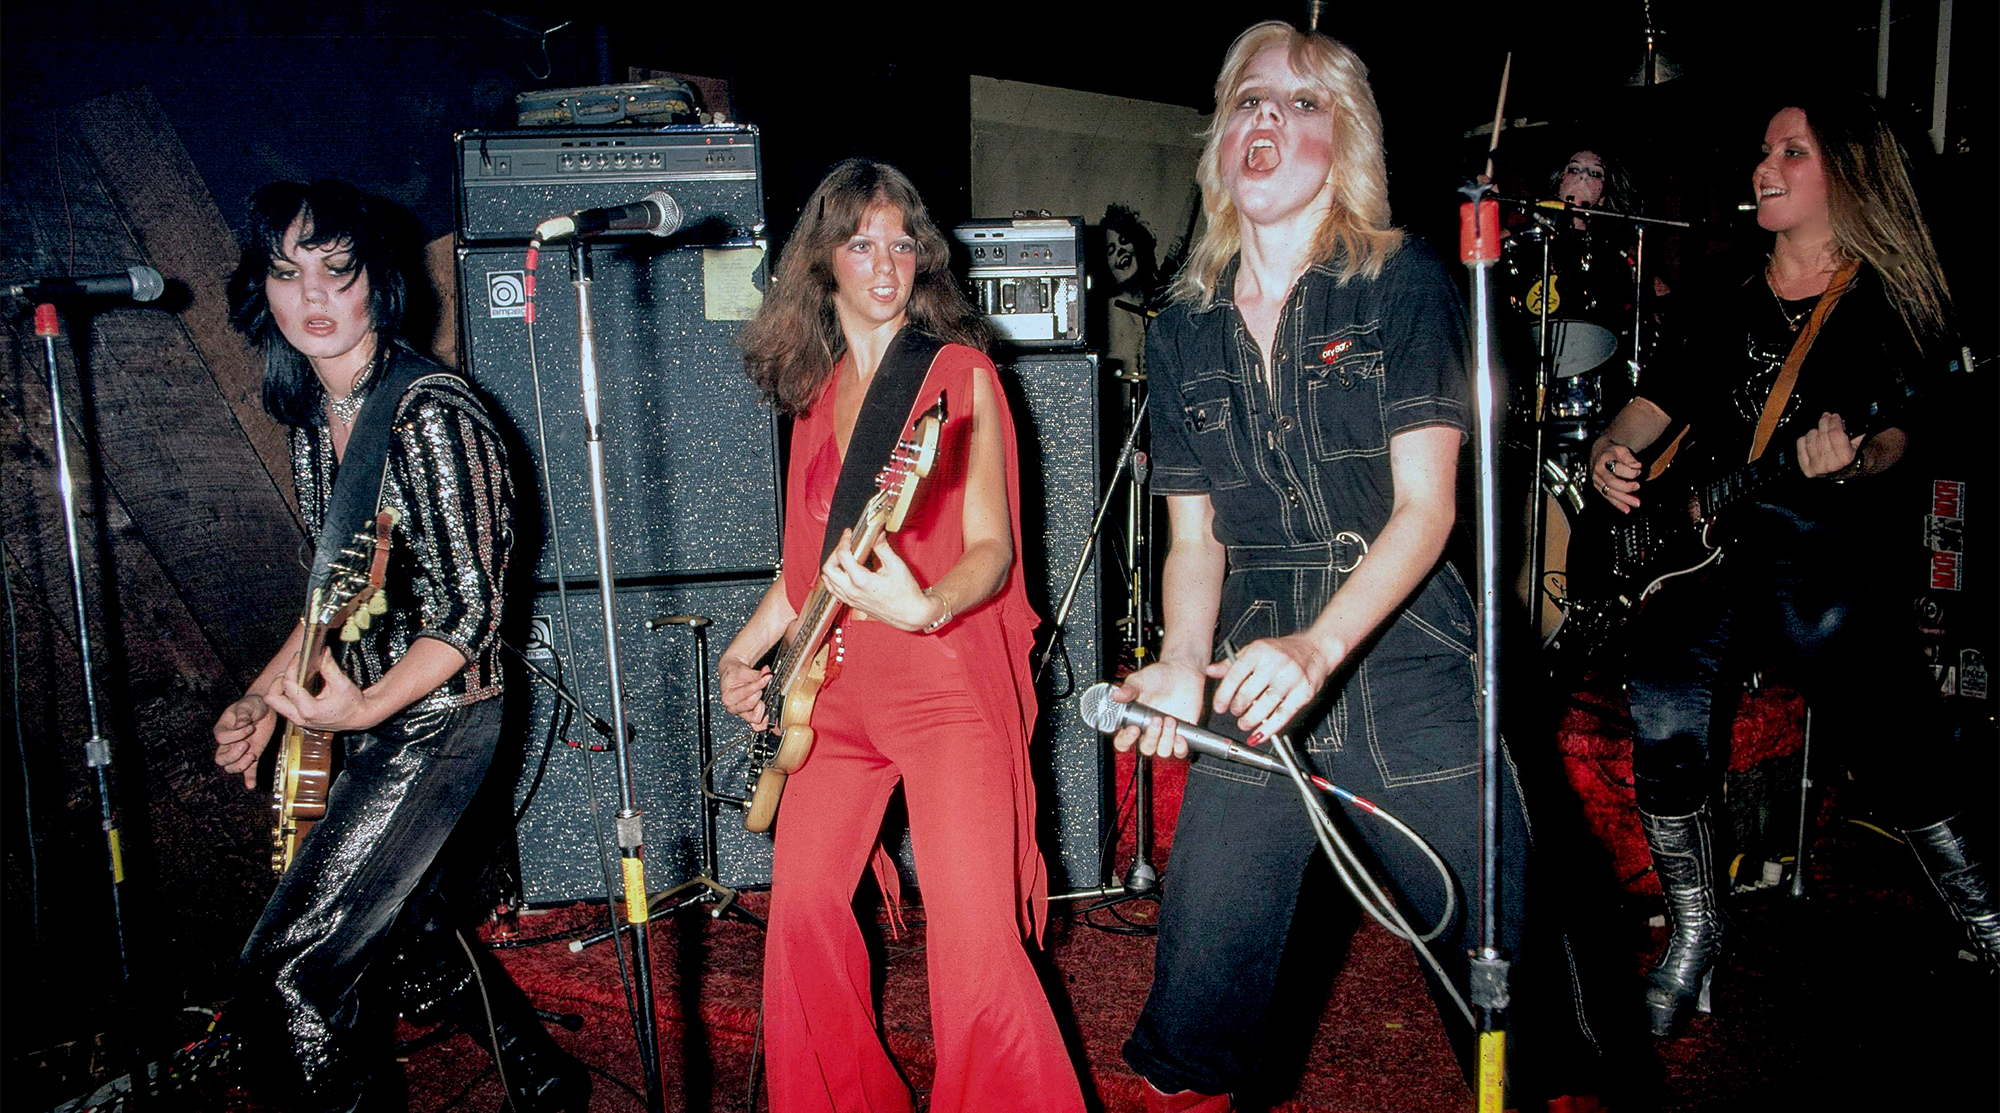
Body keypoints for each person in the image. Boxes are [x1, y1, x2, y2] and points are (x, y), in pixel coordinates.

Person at [1109, 21, 1591, 1111]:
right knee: (1197, 1006)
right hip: (1254, 651)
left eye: (1300, 102)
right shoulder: (1182, 325)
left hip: (1403, 647)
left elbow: (1427, 510)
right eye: (1248, 99)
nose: (1266, 117)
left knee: (1511, 1009)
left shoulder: (1400, 281)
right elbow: (1195, 538)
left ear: (1347, 142)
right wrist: (1181, 658)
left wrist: (1319, 647)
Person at [1586, 93, 1994, 1037]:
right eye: (1765, 151)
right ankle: (1695, 934)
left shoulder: (1888, 301)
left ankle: (1987, 919)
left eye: (1791, 152)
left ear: (1846, 173)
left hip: (1820, 543)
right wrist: (1614, 445)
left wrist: (1855, 459)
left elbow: (1897, 436)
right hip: (1705, 552)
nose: (1764, 168)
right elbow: (1655, 402)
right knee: (1661, 697)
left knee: (1878, 700)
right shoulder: (1727, 286)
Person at [719, 159, 1087, 1113]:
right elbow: (805, 571)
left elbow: (993, 550)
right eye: (860, 244)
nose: (885, 264)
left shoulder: (959, 376)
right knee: (800, 917)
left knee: (975, 944)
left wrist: (924, 604)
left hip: (943, 689)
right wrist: (744, 652)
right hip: (833, 697)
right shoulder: (815, 395)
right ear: (822, 264)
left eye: (901, 243)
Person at [211, 179, 586, 1112]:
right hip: (374, 715)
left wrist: (364, 708)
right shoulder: (317, 415)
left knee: (289, 974)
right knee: (410, 928)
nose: (312, 297)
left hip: (444, 721)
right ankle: (546, 1079)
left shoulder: (434, 413)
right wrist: (263, 697)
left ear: (376, 282)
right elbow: (331, 595)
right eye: (288, 273)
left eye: (336, 271)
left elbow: (472, 611)